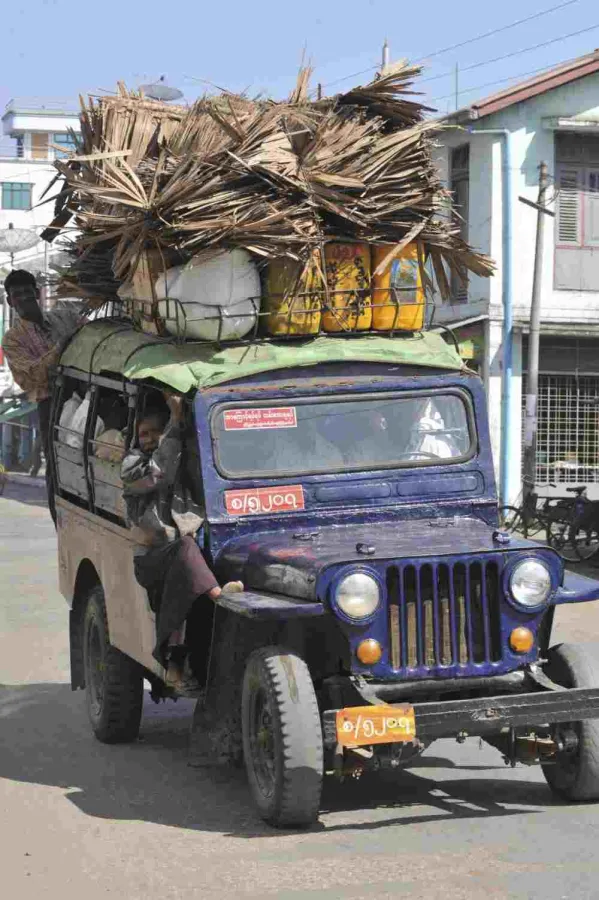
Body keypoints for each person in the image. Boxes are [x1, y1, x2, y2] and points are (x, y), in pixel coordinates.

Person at [121, 391, 242, 693]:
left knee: (187, 564)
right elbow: (157, 476)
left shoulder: (182, 455)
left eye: (153, 432)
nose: (147, 439)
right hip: (151, 558)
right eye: (143, 434)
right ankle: (217, 594)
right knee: (185, 548)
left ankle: (179, 667)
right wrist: (174, 422)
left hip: (180, 557)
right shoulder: (133, 464)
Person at [2, 269, 82, 521]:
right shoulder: (12, 340)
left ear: (37, 293)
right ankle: (62, 523)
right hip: (51, 404)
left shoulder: (65, 318)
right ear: (9, 301)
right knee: (57, 468)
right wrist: (64, 347)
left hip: (87, 394)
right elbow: (34, 375)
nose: (24, 298)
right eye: (17, 295)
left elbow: (89, 334)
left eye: (28, 292)